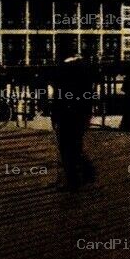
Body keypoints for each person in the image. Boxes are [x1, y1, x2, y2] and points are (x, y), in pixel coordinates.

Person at [50, 54, 97, 190]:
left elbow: (57, 98)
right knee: (75, 146)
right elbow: (88, 98)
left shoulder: (63, 72)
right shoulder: (84, 75)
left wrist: (55, 116)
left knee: (66, 148)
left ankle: (74, 179)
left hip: (66, 115)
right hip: (79, 114)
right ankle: (84, 174)